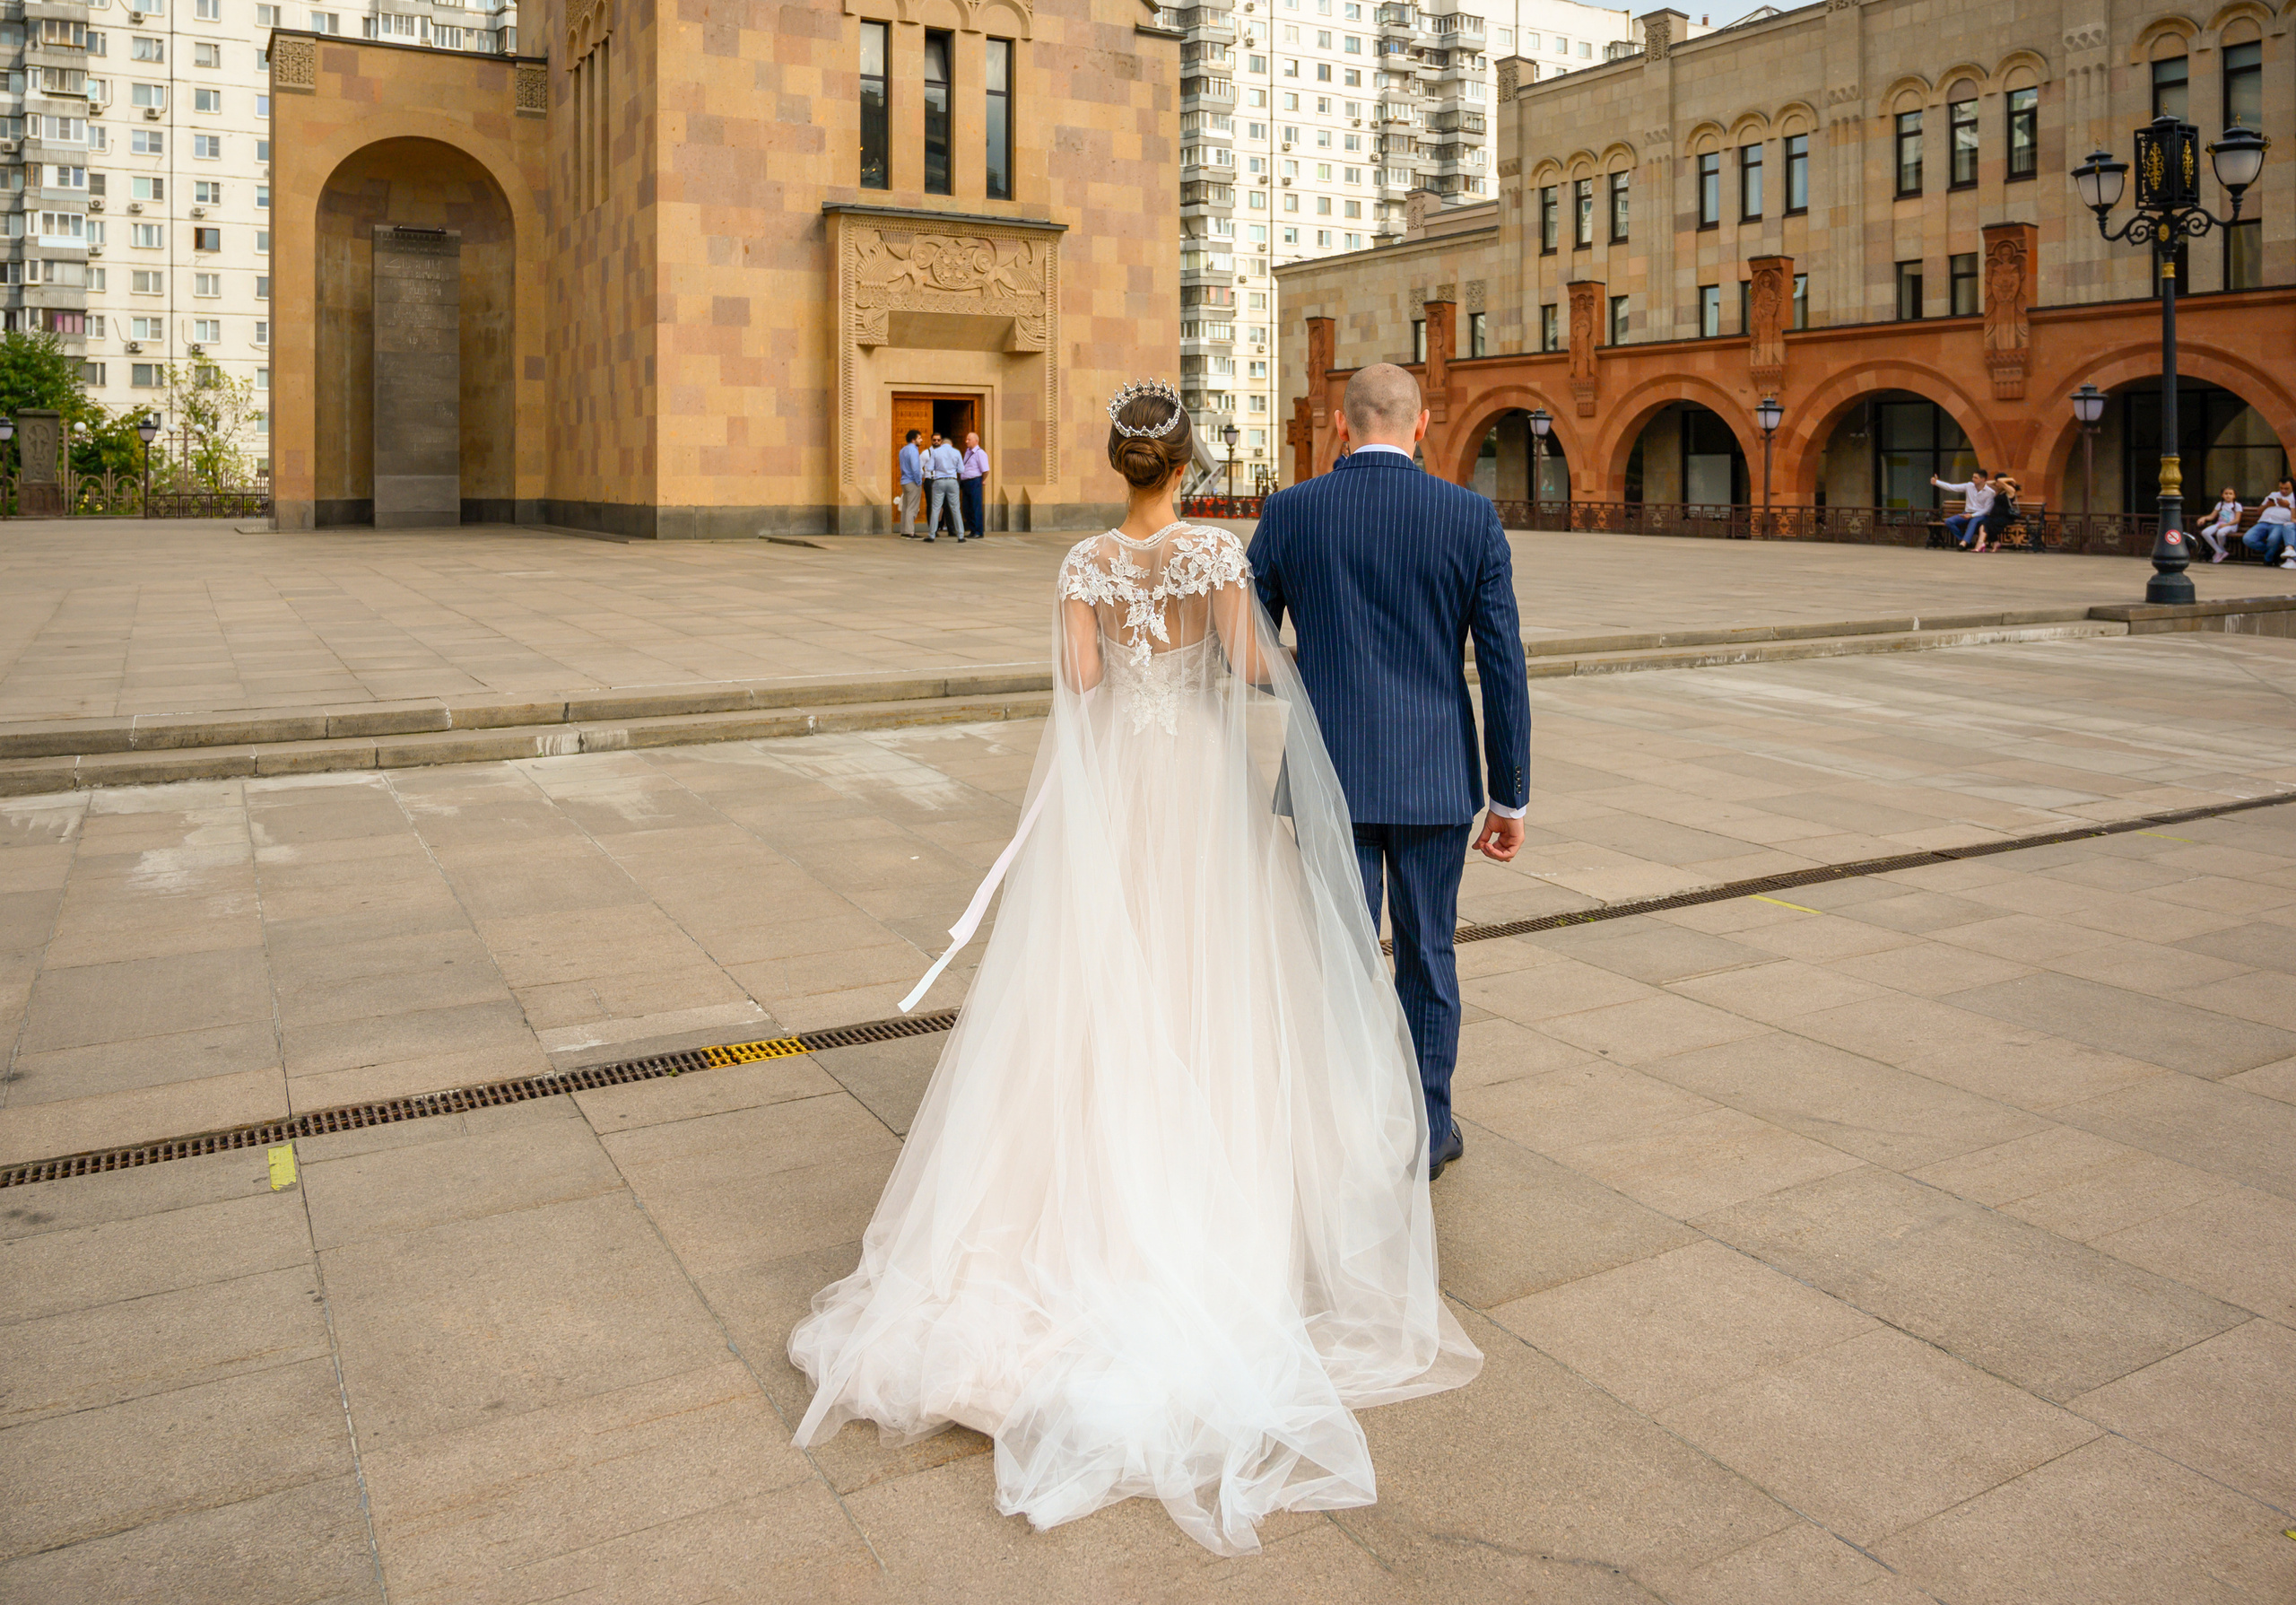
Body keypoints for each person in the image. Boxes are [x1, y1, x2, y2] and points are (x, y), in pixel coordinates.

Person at [790, 379, 1480, 1557]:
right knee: (1213, 978)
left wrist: (1131, 646)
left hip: (1118, 804)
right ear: (1190, 465)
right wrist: (1266, 653)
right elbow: (1253, 671)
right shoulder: (1215, 553)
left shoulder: (1080, 564)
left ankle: (1068, 1197)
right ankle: (1215, 1185)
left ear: (1119, 466)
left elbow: (1086, 685)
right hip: (1198, 807)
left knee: (1093, 988)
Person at [1250, 362, 1532, 1185]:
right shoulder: (1470, 517)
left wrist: (1321, 672)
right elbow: (1504, 663)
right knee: (1428, 951)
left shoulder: (1293, 511)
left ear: (1341, 424)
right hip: (1434, 775)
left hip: (1327, 768)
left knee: (1339, 952)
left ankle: (1343, 1118)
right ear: (1422, 424)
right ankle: (1428, 1126)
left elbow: (1249, 644)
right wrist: (1508, 792)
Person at [1931, 468, 1994, 549]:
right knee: (1949, 521)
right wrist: (1937, 482)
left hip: (1980, 515)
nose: (1973, 479)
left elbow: (1986, 510)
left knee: (1973, 521)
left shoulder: (1990, 493)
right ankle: (1964, 540)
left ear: (1983, 479)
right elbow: (1952, 487)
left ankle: (1964, 543)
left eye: (1975, 478)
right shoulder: (1969, 486)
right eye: (1973, 477)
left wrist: (1972, 515)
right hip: (1966, 513)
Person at [924, 432, 967, 542]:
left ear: (942, 443)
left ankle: (932, 535)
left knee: (936, 508)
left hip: (939, 481)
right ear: (951, 444)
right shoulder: (956, 452)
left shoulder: (936, 452)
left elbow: (929, 467)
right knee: (956, 508)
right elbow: (961, 470)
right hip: (952, 481)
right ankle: (961, 535)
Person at [2248, 477, 2296, 567]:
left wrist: (2287, 506)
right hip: (2264, 522)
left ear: (2292, 487)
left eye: (2286, 488)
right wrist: (2267, 505)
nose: (2283, 491)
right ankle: (2274, 550)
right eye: (2281, 488)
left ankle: (2268, 559)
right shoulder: (2273, 495)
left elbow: (2294, 516)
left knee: (2272, 539)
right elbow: (2259, 511)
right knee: (2248, 539)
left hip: (2280, 523)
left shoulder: (2294, 497)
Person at [2195, 487, 2242, 563]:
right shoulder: (2220, 504)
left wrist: (2226, 525)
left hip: (2231, 525)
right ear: (2222, 495)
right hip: (2220, 524)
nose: (2228, 496)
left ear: (2234, 496)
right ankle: (2219, 551)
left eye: (2230, 494)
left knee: (2220, 533)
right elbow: (2212, 516)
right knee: (2205, 532)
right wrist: (2204, 518)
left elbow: (2237, 520)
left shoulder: (2237, 505)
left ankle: (2221, 550)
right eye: (2226, 494)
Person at [1975, 474, 2021, 553]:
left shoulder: (2010, 490)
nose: (1996, 483)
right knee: (1983, 523)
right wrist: (1997, 481)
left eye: (1998, 482)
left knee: (1986, 523)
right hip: (1995, 516)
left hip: (2005, 517)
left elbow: (2000, 481)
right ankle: (1995, 542)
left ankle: (1980, 544)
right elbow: (1986, 483)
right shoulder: (2000, 491)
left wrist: (2010, 479)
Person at [958, 431, 989, 542]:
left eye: (969, 439)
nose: (966, 441)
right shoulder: (968, 452)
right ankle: (972, 529)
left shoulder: (980, 453)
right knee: (967, 507)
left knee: (975, 506)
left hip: (975, 481)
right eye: (966, 439)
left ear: (976, 441)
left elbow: (985, 470)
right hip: (966, 482)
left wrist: (982, 480)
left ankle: (978, 531)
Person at [897, 429, 925, 538]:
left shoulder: (903, 450)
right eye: (919, 438)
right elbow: (915, 468)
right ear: (913, 440)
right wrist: (919, 481)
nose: (921, 440)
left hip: (905, 481)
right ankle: (909, 531)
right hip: (912, 481)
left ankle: (904, 530)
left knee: (906, 507)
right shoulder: (913, 451)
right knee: (912, 507)